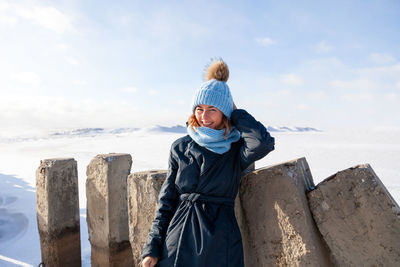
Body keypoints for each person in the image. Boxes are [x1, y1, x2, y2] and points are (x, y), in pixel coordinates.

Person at [141, 59, 275, 267]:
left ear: (225, 112)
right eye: (199, 109)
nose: (204, 116)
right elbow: (166, 201)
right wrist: (152, 248)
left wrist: (237, 114)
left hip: (219, 238)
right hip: (178, 236)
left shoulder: (236, 147)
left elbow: (262, 144)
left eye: (212, 109)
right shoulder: (180, 146)